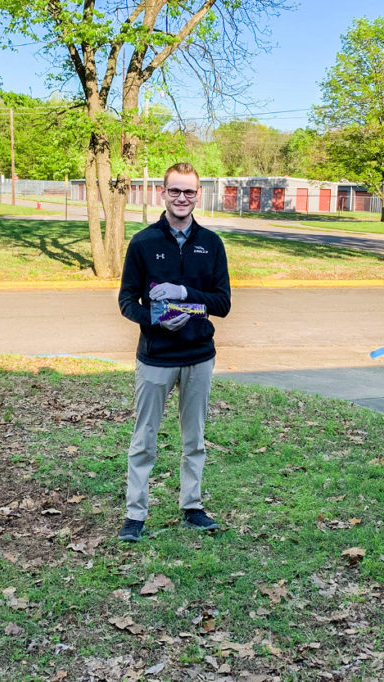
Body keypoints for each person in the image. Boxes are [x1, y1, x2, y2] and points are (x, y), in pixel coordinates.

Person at [116, 162, 231, 542]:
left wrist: (184, 294)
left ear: (199, 195)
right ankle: (135, 515)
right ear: (162, 194)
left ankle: (192, 507)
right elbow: (127, 302)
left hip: (199, 356)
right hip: (156, 358)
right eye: (175, 191)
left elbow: (223, 302)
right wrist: (155, 320)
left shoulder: (211, 244)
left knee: (193, 438)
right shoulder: (143, 243)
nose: (182, 198)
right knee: (144, 438)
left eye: (190, 192)